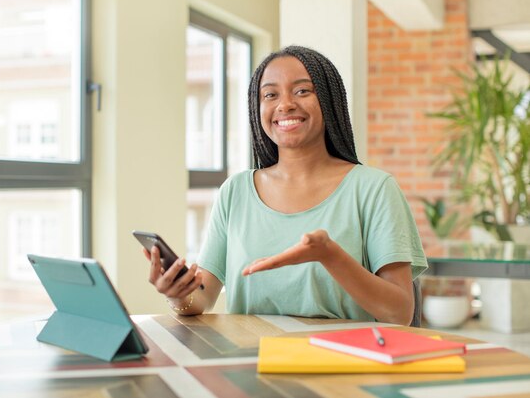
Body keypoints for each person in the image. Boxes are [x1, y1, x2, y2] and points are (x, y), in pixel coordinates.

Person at [143, 45, 428, 325]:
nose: (285, 104)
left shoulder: (374, 189)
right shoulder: (236, 191)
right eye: (270, 94)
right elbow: (202, 299)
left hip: (342, 364)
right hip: (252, 362)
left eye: (302, 91)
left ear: (329, 101)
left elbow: (399, 313)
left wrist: (330, 256)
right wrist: (177, 295)